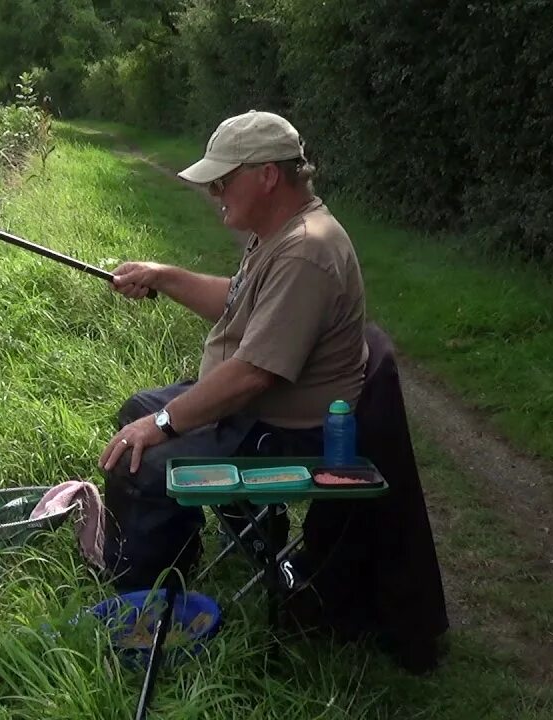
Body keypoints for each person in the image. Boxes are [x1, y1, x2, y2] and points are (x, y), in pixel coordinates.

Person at [97, 110, 368, 591]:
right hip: (253, 411)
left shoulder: (307, 249)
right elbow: (238, 301)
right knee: (135, 411)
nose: (213, 192)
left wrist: (165, 424)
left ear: (267, 176)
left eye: (222, 180)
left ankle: (142, 601)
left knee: (136, 462)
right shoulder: (279, 235)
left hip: (282, 429)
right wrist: (162, 275)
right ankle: (176, 559)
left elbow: (252, 376)